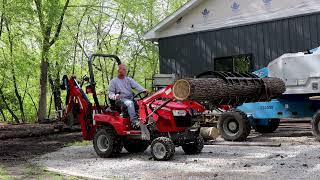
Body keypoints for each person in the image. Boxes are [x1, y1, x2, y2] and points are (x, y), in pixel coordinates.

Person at [108, 64, 147, 128]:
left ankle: (144, 119)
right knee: (130, 103)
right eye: (123, 69)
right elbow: (110, 93)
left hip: (130, 97)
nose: (125, 71)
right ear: (119, 70)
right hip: (120, 99)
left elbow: (137, 86)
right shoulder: (114, 81)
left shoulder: (128, 79)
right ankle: (134, 122)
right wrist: (114, 96)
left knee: (142, 102)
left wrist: (143, 90)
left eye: (125, 69)